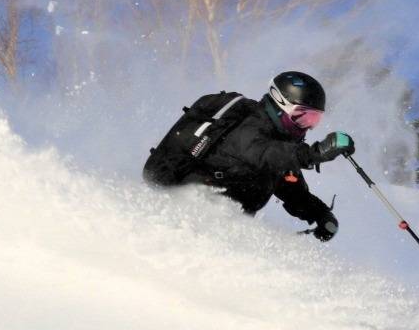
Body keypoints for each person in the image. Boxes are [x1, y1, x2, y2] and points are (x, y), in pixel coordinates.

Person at [143, 71, 356, 241]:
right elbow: (265, 153)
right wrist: (314, 153)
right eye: (302, 117)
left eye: (314, 120)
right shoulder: (251, 125)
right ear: (282, 105)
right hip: (184, 211)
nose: (307, 127)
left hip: (220, 225)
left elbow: (289, 185)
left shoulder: (281, 143)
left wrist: (320, 214)